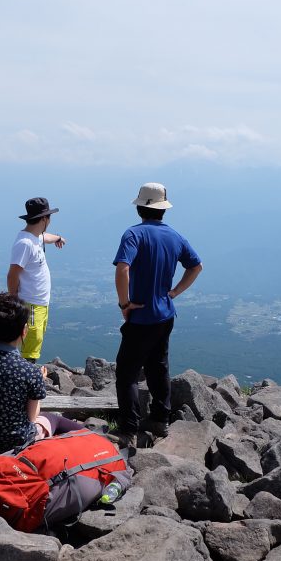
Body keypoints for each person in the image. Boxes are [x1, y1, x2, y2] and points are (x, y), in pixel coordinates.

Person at [112, 182, 202, 448]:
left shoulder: (133, 234)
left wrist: (124, 303)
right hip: (165, 315)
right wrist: (174, 293)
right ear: (163, 209)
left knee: (127, 374)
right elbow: (196, 266)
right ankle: (160, 421)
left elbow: (122, 269)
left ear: (140, 206)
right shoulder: (175, 236)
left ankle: (128, 430)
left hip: (140, 318)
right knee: (158, 366)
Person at [0, 293, 84, 460]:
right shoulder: (28, 371)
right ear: (24, 331)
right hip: (14, 453)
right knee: (54, 419)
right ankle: (92, 439)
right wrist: (38, 381)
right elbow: (31, 418)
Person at [7, 197, 67, 363]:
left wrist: (57, 238)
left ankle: (27, 376)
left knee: (35, 341)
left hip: (39, 302)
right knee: (31, 345)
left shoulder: (34, 237)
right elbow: (12, 274)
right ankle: (27, 379)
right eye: (49, 217)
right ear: (44, 219)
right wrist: (13, 300)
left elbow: (44, 237)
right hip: (31, 303)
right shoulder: (25, 243)